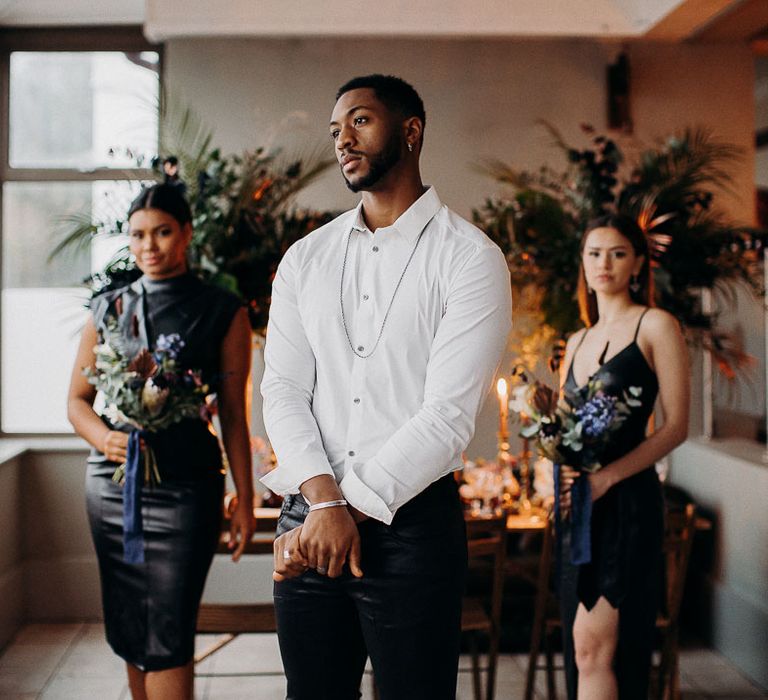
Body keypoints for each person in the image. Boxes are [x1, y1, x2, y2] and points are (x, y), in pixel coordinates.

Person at [261, 74, 512, 699]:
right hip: (309, 518)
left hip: (411, 531)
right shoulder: (305, 259)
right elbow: (283, 390)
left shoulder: (469, 258)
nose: (343, 140)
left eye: (360, 122)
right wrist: (322, 505)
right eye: (335, 129)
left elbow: (449, 416)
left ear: (411, 130)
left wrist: (340, 512)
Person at [67, 183, 255, 700]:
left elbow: (235, 416)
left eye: (163, 232)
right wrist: (105, 438)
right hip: (111, 487)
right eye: (138, 236)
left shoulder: (223, 310)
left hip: (188, 486)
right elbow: (77, 402)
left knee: (168, 627)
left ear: (187, 233)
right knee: (132, 626)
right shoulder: (107, 309)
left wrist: (246, 498)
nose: (149, 246)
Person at [557, 214, 690, 699]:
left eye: (617, 253)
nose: (604, 264)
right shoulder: (575, 341)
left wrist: (607, 478)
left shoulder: (656, 324)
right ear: (583, 263)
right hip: (578, 512)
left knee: (599, 648)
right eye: (594, 253)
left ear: (637, 263)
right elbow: (566, 432)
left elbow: (676, 426)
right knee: (582, 650)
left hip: (627, 503)